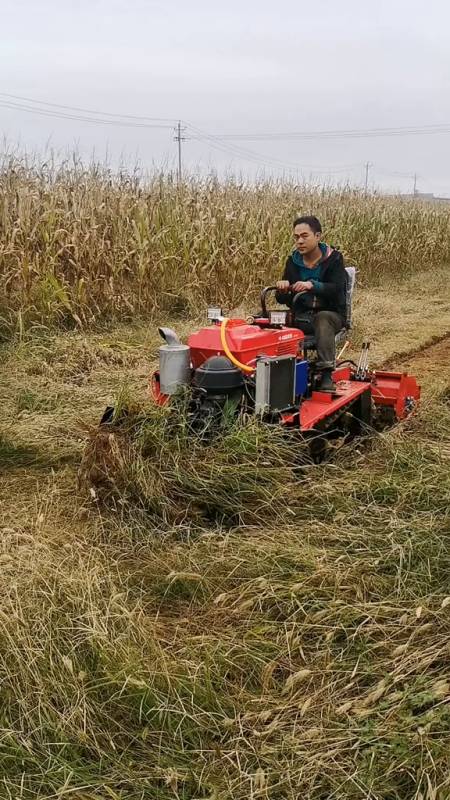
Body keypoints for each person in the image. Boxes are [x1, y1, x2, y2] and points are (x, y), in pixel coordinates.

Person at [276, 215, 347, 392]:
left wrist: (312, 285)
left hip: (331, 316)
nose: (299, 241)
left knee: (322, 318)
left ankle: (326, 374)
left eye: (304, 236)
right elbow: (284, 300)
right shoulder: (293, 262)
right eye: (296, 237)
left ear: (318, 236)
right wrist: (282, 289)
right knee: (263, 320)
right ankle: (271, 373)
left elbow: (337, 288)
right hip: (300, 316)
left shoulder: (334, 259)